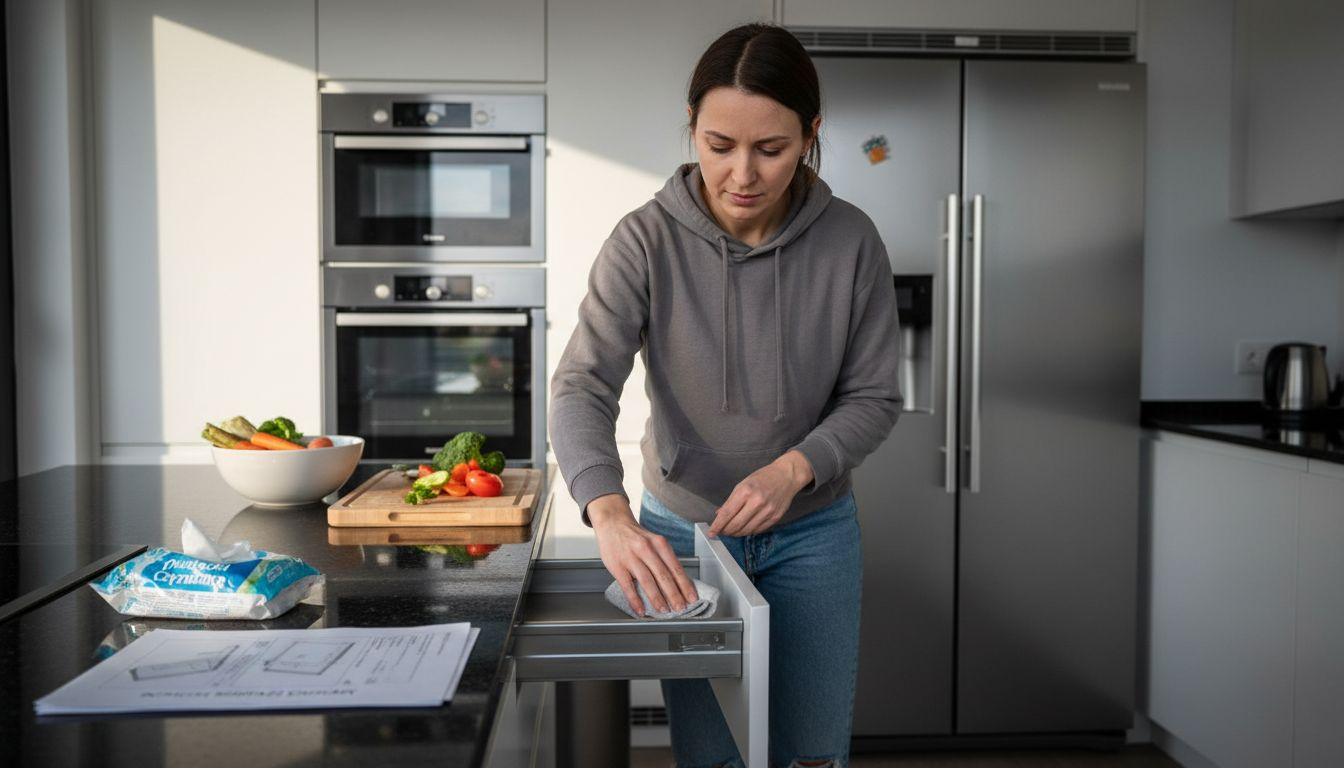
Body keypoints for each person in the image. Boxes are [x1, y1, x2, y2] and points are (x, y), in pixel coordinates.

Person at [549, 22, 902, 768]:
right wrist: (607, 512)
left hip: (815, 534)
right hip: (684, 537)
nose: (742, 173)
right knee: (713, 757)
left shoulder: (852, 242)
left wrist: (795, 468)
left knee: (812, 755)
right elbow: (582, 385)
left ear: (810, 135)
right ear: (692, 129)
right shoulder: (643, 241)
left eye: (770, 149)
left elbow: (873, 396)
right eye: (718, 145)